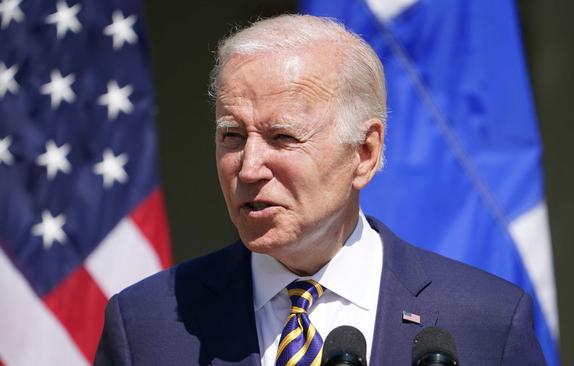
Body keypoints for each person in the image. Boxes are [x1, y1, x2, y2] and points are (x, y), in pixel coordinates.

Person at [95, 14, 546, 366]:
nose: (249, 167)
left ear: (365, 153)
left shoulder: (485, 322)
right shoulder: (146, 325)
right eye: (232, 136)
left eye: (283, 138)